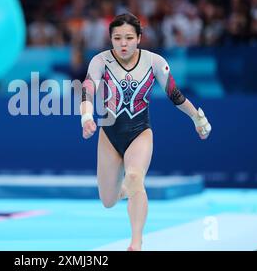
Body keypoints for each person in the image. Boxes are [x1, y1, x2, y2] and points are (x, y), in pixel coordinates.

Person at [80, 13, 211, 251]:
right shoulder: (100, 61)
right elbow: (88, 90)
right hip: (109, 134)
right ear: (110, 39)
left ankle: (136, 242)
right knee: (108, 201)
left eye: (129, 37)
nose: (123, 43)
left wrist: (197, 118)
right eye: (117, 38)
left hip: (140, 132)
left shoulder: (154, 62)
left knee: (134, 178)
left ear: (139, 38)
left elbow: (175, 95)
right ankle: (124, 190)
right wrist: (86, 116)